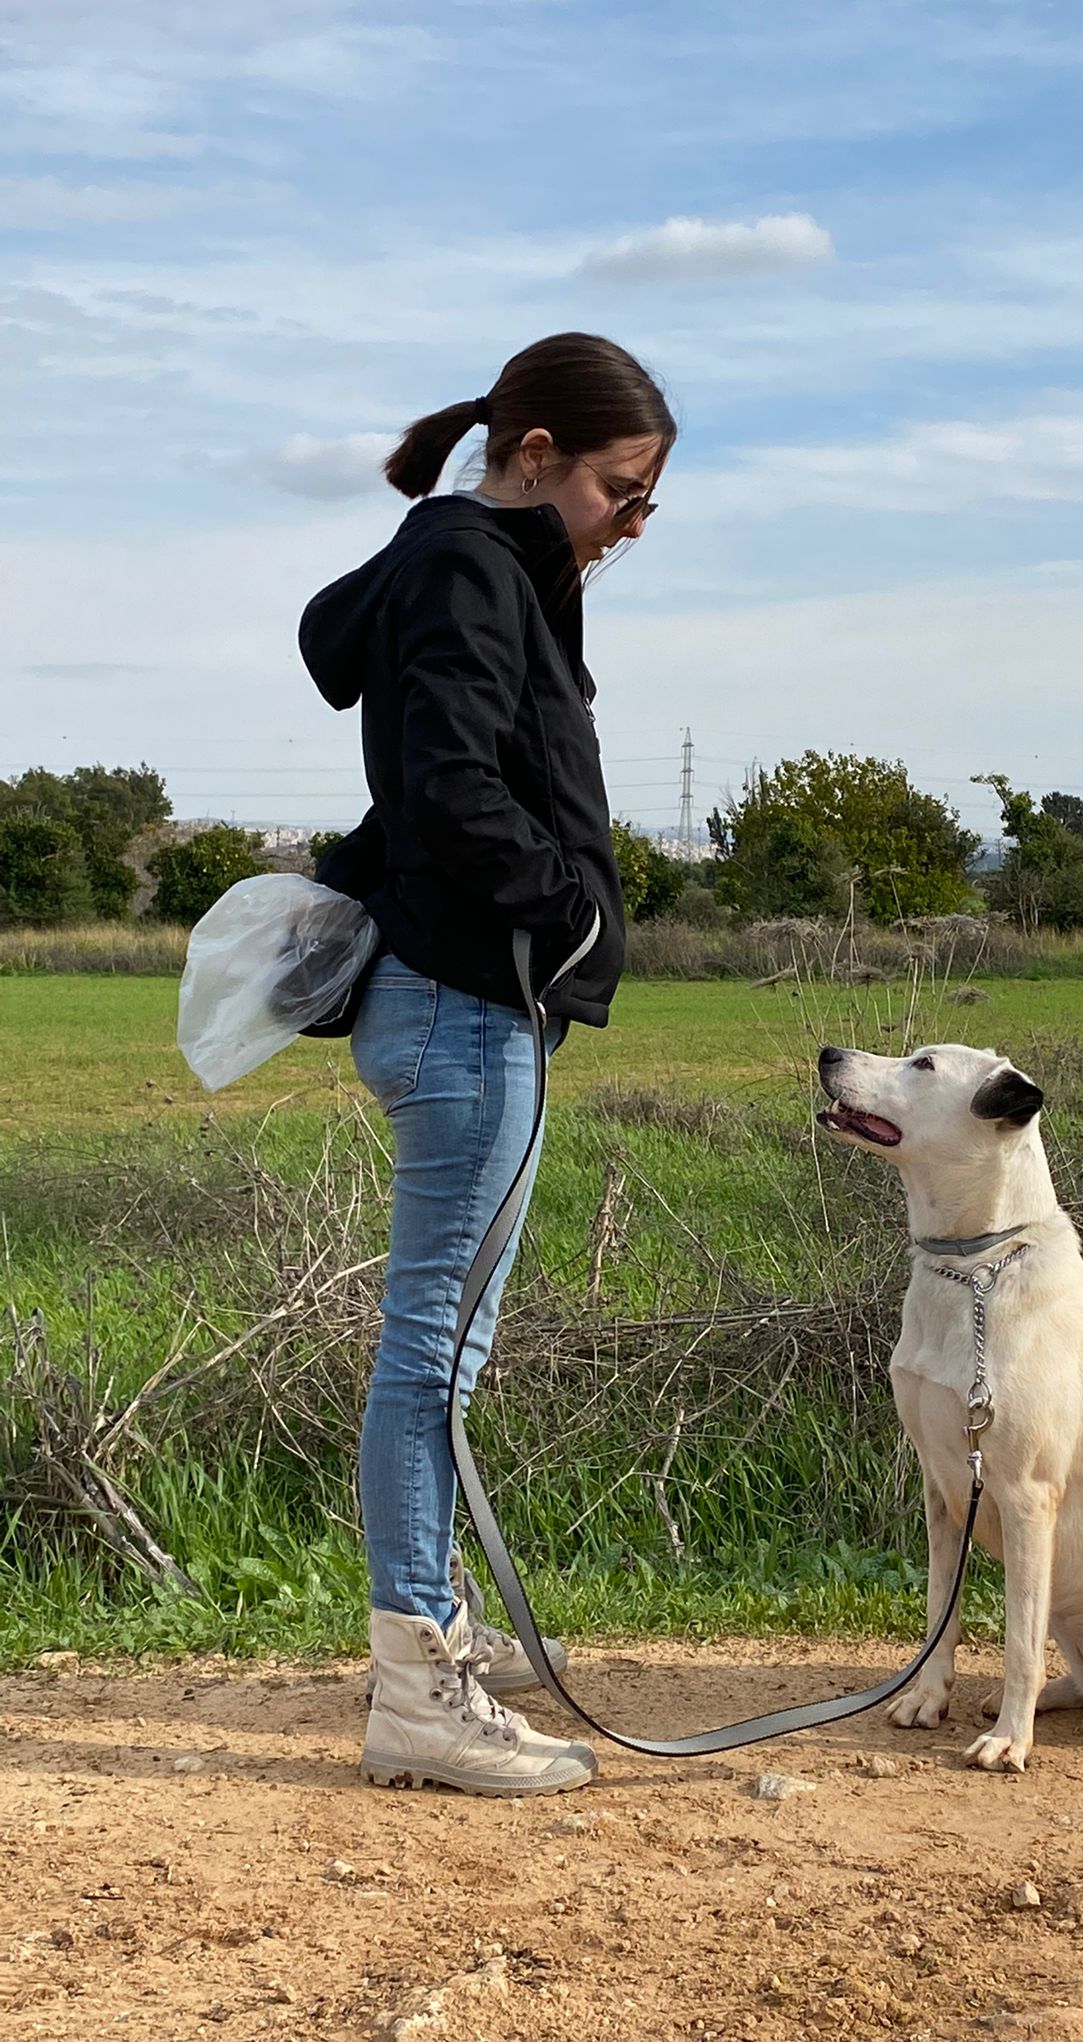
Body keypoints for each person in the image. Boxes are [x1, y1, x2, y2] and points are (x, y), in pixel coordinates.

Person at [297, 333, 675, 1796]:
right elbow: (450, 786)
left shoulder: (473, 561)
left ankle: (435, 1633)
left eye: (646, 503)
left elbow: (419, 766)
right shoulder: (469, 566)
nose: (631, 523)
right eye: (620, 492)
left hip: (462, 1002)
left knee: (442, 1351)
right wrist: (566, 907)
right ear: (533, 456)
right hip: (465, 1007)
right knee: (431, 1359)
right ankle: (418, 1694)